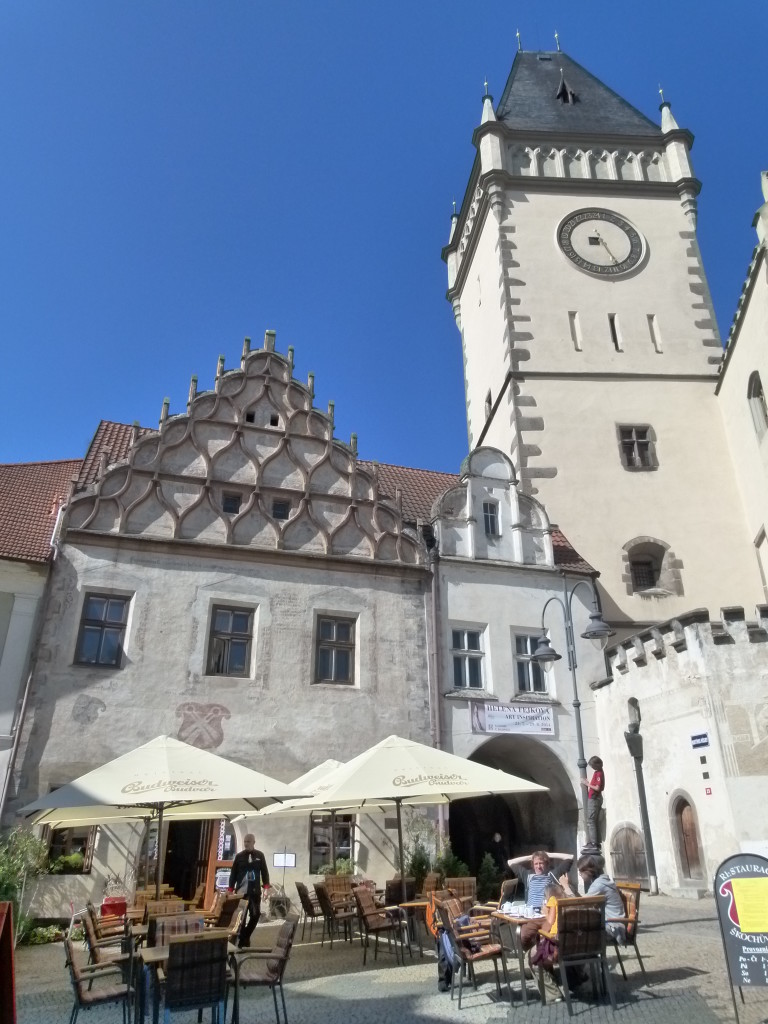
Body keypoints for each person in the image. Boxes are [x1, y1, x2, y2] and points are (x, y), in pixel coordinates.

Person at [507, 849, 573, 950]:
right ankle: (535, 951)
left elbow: (570, 857)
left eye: (541, 863)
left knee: (546, 937)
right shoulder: (527, 875)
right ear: (532, 865)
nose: (538, 866)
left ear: (546, 864)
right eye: (536, 863)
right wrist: (531, 857)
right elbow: (510, 862)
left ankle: (541, 954)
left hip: (547, 916)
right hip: (531, 916)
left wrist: (549, 855)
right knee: (523, 936)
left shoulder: (552, 874)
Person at [559, 853, 626, 944]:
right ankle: (585, 956)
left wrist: (566, 886)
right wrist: (571, 888)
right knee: (578, 927)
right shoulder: (601, 881)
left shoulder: (599, 885)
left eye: (580, 871)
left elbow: (580, 904)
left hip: (613, 927)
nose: (579, 874)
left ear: (588, 871)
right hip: (611, 924)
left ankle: (584, 956)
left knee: (576, 931)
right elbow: (584, 901)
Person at [227, 833, 270, 947]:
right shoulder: (239, 856)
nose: (246, 843)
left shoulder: (260, 855)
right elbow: (233, 873)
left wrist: (266, 888)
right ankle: (241, 942)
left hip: (255, 891)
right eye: (245, 841)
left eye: (248, 841)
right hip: (242, 892)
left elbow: (265, 872)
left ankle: (245, 935)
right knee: (242, 917)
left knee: (255, 915)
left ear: (253, 842)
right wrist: (230, 889)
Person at [581, 755, 604, 849]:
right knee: (593, 820)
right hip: (594, 798)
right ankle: (595, 842)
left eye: (593, 765)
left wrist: (587, 784)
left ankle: (594, 843)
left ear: (597, 764)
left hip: (594, 798)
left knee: (591, 820)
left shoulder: (599, 773)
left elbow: (597, 788)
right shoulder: (597, 772)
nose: (592, 767)